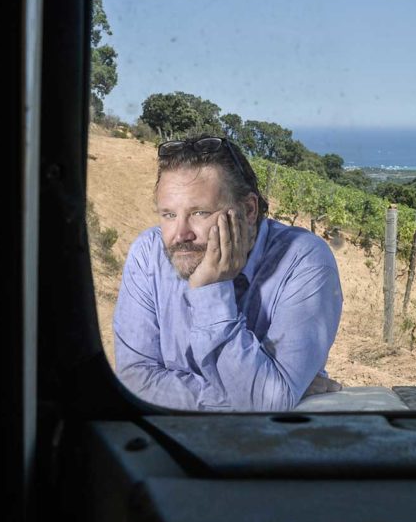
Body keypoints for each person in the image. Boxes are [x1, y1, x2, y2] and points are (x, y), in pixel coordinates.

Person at [113, 135, 343, 411]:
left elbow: (268, 403)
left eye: (199, 212)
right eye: (169, 215)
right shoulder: (147, 254)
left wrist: (210, 290)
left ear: (247, 210)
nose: (180, 235)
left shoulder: (304, 260)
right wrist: (255, 396)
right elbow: (135, 381)